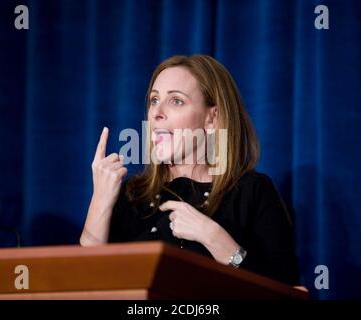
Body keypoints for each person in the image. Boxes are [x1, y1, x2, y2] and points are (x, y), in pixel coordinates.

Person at [80, 55, 300, 286]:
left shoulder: (252, 192)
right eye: (154, 100)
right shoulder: (132, 195)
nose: (156, 113)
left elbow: (285, 292)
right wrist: (100, 201)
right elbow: (85, 286)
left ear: (211, 118)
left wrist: (214, 237)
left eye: (176, 101)